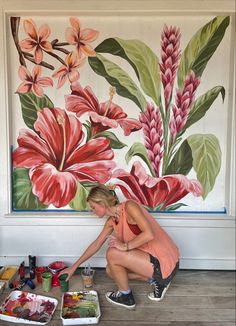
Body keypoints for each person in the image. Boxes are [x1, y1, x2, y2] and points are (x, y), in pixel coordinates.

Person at [59, 184, 180, 309]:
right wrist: (73, 268)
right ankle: (157, 281)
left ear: (102, 202)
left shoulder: (129, 207)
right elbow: (96, 244)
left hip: (164, 260)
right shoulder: (111, 221)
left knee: (112, 253)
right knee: (110, 271)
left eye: (93, 207)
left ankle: (125, 296)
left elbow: (149, 234)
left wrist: (125, 246)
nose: (92, 211)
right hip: (150, 261)